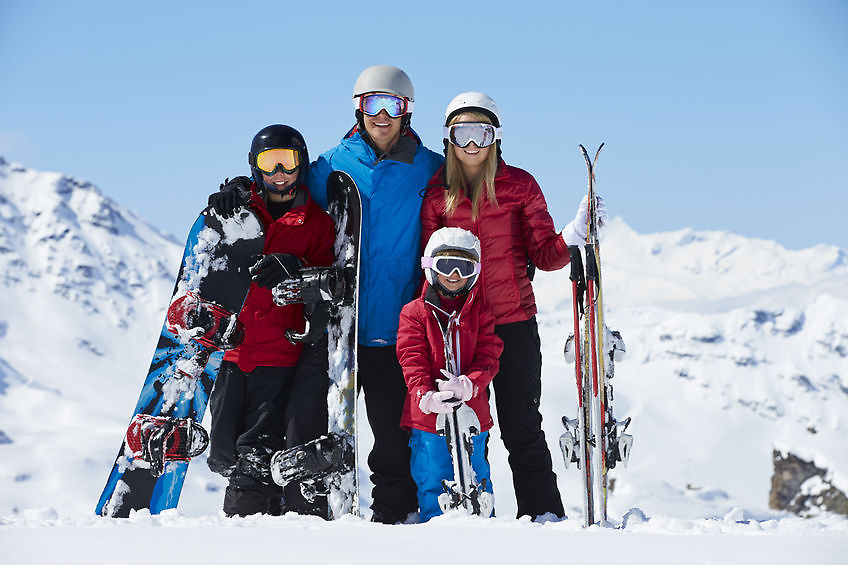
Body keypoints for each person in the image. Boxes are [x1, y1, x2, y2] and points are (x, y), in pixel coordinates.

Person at [420, 92, 607, 520]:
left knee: (522, 428)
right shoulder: (435, 195)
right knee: (464, 428)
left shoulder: (519, 186)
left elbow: (545, 254)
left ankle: (543, 515)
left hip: (513, 326)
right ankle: (469, 516)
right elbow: (426, 268)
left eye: (481, 133)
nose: (472, 144)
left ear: (497, 137)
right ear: (448, 139)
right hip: (459, 331)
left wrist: (573, 236)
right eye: (462, 133)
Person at [309, 65, 444, 523]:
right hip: (338, 330)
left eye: (392, 105)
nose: (381, 115)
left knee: (392, 437)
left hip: (397, 327)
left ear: (407, 112)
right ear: (357, 109)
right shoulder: (329, 166)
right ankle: (317, 518)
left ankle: (395, 520)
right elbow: (285, 201)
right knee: (324, 431)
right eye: (372, 104)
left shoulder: (430, 168)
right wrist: (243, 193)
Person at [205, 124, 336, 517]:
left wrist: (296, 266)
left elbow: (326, 281)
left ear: (302, 165)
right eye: (270, 163)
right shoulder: (240, 213)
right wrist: (226, 203)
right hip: (233, 355)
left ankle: (249, 527)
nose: (280, 173)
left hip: (278, 356)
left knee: (254, 458)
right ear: (255, 166)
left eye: (288, 162)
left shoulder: (314, 222)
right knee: (224, 452)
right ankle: (269, 517)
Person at [396, 227, 502, 522]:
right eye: (446, 265)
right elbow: (411, 357)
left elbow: (489, 354)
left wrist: (470, 384)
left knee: (477, 477)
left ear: (475, 272)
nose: (454, 275)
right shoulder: (415, 313)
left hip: (472, 416)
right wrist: (425, 395)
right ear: (431, 266)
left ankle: (485, 531)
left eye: (463, 267)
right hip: (429, 418)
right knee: (434, 479)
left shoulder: (481, 312)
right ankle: (437, 532)